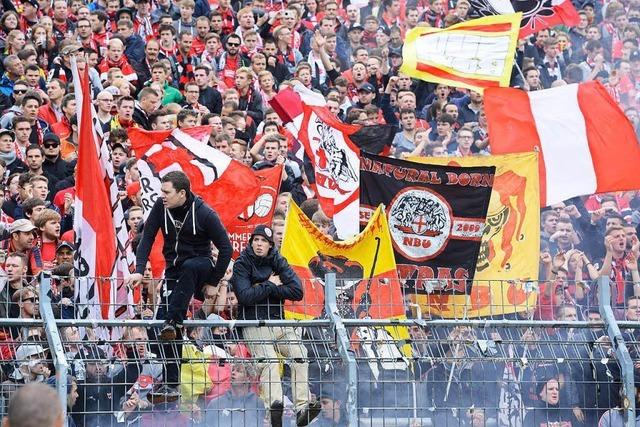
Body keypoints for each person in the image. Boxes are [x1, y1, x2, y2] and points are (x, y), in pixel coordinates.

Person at [125, 171, 232, 395]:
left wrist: (214, 281)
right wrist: (138, 268)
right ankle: (172, 383)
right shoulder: (160, 207)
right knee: (161, 329)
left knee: (191, 268)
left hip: (201, 267)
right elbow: (147, 238)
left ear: (182, 193)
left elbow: (226, 248)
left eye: (167, 192)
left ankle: (173, 322)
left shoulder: (204, 213)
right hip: (174, 271)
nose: (161, 195)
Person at [232, 224, 320, 427]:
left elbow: (297, 291)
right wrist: (272, 284)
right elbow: (244, 297)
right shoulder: (242, 263)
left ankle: (302, 408)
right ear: (251, 242)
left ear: (271, 245)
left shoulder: (278, 260)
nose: (259, 244)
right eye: (256, 240)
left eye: (264, 241)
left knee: (300, 354)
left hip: (278, 322)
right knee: (269, 361)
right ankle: (275, 407)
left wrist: (262, 288)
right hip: (253, 323)